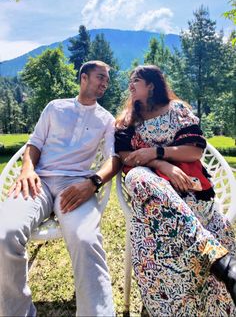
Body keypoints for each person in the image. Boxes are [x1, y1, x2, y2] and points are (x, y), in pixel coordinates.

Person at [0, 60, 121, 317]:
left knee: (86, 238)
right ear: (84, 78)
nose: (104, 84)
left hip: (75, 185)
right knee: (4, 234)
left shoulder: (106, 119)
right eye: (100, 77)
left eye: (107, 81)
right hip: (39, 181)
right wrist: (27, 170)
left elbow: (114, 159)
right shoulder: (55, 107)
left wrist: (93, 182)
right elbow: (34, 144)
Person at [115, 65, 236, 316]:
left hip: (189, 190)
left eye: (136, 80)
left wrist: (158, 151)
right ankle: (217, 259)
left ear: (151, 85)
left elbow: (194, 150)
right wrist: (160, 165)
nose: (130, 85)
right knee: (137, 176)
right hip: (154, 196)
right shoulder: (128, 120)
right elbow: (126, 158)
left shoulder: (177, 111)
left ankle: (215, 275)